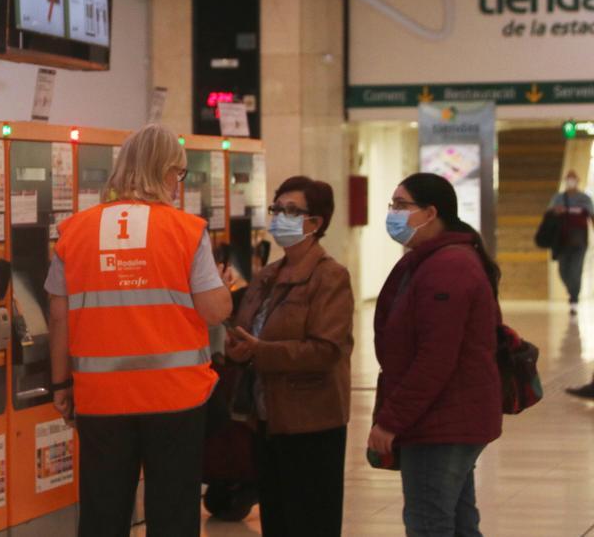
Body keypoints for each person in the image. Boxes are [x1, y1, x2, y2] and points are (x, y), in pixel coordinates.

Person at [44, 123, 233, 537]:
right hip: (175, 397)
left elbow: (59, 317)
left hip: (100, 397)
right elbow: (215, 311)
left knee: (102, 512)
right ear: (165, 171)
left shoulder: (73, 232)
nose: (178, 184)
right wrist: (224, 283)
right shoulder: (186, 231)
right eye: (179, 174)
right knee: (172, 512)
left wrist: (60, 385)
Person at [370, 173, 502, 537]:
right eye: (392, 205)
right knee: (457, 524)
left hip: (441, 422)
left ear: (430, 212)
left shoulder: (448, 266)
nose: (393, 214)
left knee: (429, 524)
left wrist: (391, 420)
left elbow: (435, 357)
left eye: (401, 205)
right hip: (446, 417)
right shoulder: (431, 260)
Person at [226, 176, 355, 537]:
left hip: (311, 421)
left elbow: (326, 349)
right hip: (266, 419)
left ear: (315, 223)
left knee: (310, 520)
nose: (280, 217)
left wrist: (260, 352)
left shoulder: (329, 277)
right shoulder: (267, 275)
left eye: (292, 211)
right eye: (277, 209)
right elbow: (246, 330)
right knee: (278, 519)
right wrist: (237, 349)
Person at [549, 170, 594, 315]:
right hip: (562, 242)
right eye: (569, 179)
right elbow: (549, 215)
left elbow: (592, 217)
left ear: (578, 180)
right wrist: (557, 212)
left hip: (580, 242)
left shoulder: (585, 199)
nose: (571, 182)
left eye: (573, 179)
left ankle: (574, 299)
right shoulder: (558, 198)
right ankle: (572, 291)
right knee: (563, 271)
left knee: (576, 271)